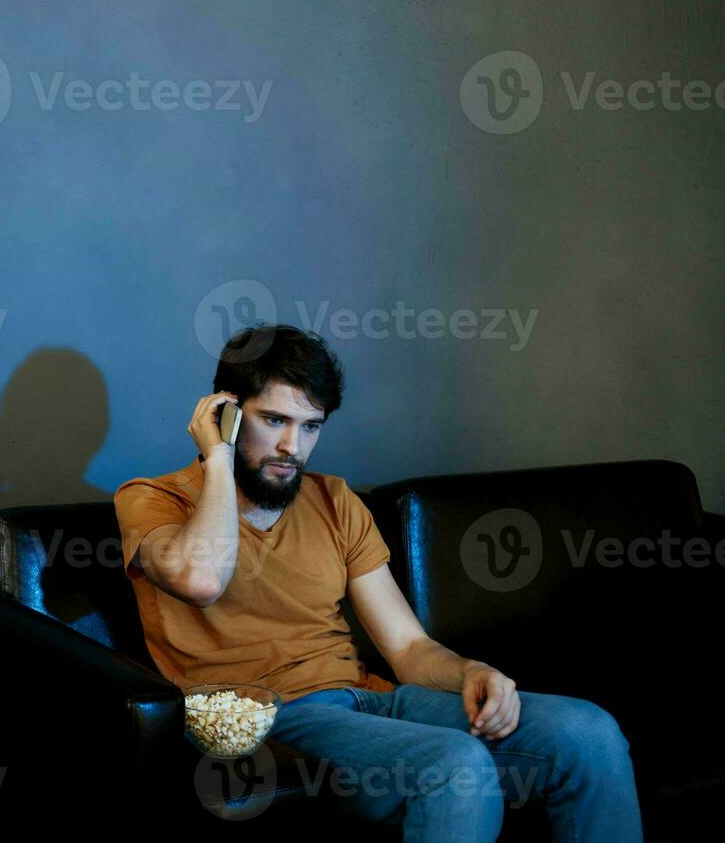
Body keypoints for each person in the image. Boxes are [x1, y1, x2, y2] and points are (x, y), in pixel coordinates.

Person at [113, 324, 642, 841]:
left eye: (311, 426)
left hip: (370, 704)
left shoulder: (335, 501)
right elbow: (202, 579)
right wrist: (220, 459)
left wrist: (470, 670)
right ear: (224, 413)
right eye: (274, 420)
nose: (292, 448)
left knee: (588, 733)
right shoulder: (154, 500)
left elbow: (407, 647)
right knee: (453, 763)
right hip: (272, 722)